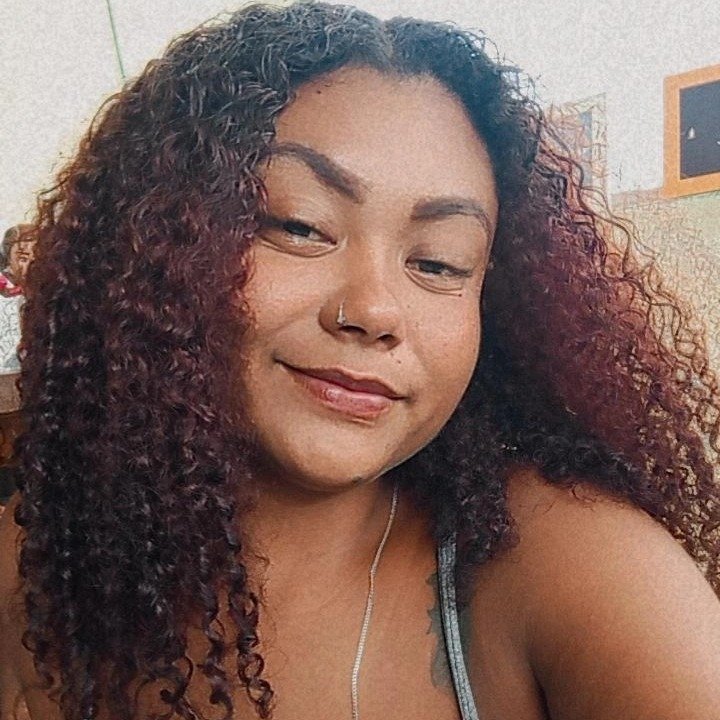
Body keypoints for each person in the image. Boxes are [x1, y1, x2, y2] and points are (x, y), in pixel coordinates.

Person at [1, 3, 720, 719]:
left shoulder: (583, 570)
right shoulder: (33, 564)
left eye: (439, 263)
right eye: (299, 226)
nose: (374, 310)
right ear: (154, 244)